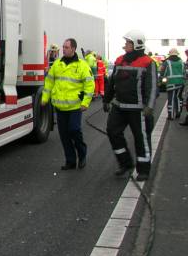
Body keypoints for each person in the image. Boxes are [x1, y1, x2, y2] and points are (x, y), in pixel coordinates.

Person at [103, 30, 157, 181]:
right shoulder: (120, 60)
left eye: (128, 42)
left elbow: (152, 87)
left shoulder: (148, 62)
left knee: (141, 139)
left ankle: (144, 170)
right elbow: (112, 81)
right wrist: (106, 100)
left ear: (137, 44)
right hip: (119, 106)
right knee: (112, 131)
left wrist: (149, 106)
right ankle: (125, 163)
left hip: (138, 109)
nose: (125, 45)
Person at [42, 38, 95, 170]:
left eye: (66, 47)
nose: (64, 49)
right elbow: (49, 81)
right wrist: (44, 98)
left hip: (75, 106)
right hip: (60, 107)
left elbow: (89, 85)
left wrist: (86, 102)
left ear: (73, 49)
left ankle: (82, 154)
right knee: (64, 135)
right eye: (63, 47)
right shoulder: (57, 64)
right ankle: (70, 161)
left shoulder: (82, 65)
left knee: (74, 130)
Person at [161, 48, 185, 120]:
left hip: (171, 83)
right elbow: (184, 72)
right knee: (178, 97)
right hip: (180, 82)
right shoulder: (181, 61)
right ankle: (178, 112)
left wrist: (162, 80)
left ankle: (170, 115)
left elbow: (163, 72)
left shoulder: (167, 62)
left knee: (171, 98)